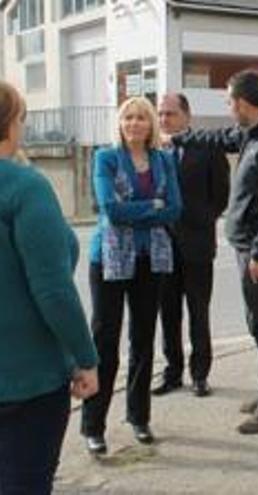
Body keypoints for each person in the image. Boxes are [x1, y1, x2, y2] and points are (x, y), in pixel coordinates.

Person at [172, 70, 258, 434]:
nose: (228, 109)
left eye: (229, 102)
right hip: (249, 244)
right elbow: (218, 137)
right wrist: (180, 138)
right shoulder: (253, 132)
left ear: (243, 103)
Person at [0, 82, 99, 495]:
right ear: (9, 124)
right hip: (26, 380)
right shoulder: (24, 187)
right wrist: (85, 358)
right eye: (22, 119)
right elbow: (53, 291)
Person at [81, 96, 182, 455]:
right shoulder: (105, 158)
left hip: (149, 259)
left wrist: (140, 210)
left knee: (143, 340)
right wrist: (152, 206)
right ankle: (93, 425)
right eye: (128, 118)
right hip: (109, 259)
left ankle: (139, 417)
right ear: (120, 123)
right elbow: (110, 209)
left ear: (151, 124)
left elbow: (174, 209)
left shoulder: (163, 159)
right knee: (104, 343)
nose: (135, 123)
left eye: (142, 117)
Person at [153, 93, 230, 398]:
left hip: (197, 244)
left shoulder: (205, 147)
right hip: (163, 246)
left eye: (170, 114)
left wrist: (202, 220)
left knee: (199, 312)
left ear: (186, 115)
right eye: (160, 114)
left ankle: (200, 374)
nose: (163, 120)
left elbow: (221, 193)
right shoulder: (155, 150)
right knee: (168, 313)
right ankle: (172, 373)